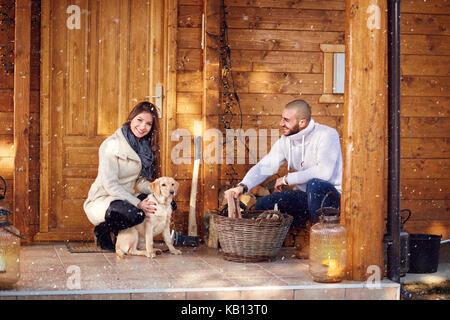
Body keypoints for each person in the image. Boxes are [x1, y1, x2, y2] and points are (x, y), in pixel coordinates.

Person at [225, 99, 342, 239]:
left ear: (302, 122)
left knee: (315, 185)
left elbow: (324, 172)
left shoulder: (327, 134)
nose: (281, 124)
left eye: (286, 120)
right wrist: (243, 187)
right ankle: (270, 246)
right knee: (264, 204)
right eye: (281, 119)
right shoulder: (286, 141)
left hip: (331, 198)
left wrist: (287, 179)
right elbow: (265, 166)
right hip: (306, 197)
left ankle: (318, 241)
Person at [83, 101, 162, 251]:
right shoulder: (111, 144)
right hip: (105, 198)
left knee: (165, 203)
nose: (142, 127)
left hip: (125, 197)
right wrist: (137, 203)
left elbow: (139, 182)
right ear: (131, 118)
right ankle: (103, 230)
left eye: (148, 124)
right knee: (136, 214)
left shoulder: (144, 147)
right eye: (139, 120)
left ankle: (125, 235)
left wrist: (157, 190)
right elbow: (110, 184)